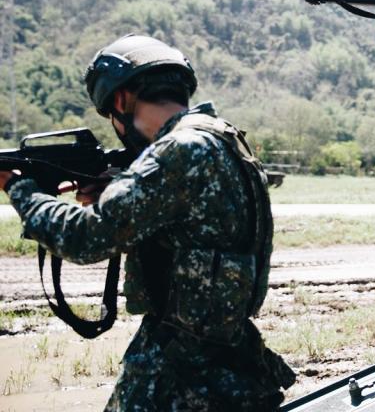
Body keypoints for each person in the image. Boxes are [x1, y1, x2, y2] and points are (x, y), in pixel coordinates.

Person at [0, 34, 294, 411]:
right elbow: (194, 219)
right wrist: (117, 188)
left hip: (182, 370)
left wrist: (21, 190)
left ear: (121, 100)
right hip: (229, 354)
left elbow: (84, 238)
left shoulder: (179, 149)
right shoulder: (222, 138)